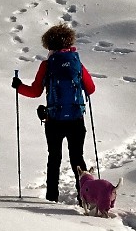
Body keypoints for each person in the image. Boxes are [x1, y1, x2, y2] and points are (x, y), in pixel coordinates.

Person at [12, 23, 96, 202]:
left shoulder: (47, 65)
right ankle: (85, 197)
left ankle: (51, 198)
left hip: (54, 120)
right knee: (77, 158)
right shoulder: (76, 63)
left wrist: (18, 86)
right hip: (76, 119)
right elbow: (91, 88)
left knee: (54, 158)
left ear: (49, 44)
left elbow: (35, 92)